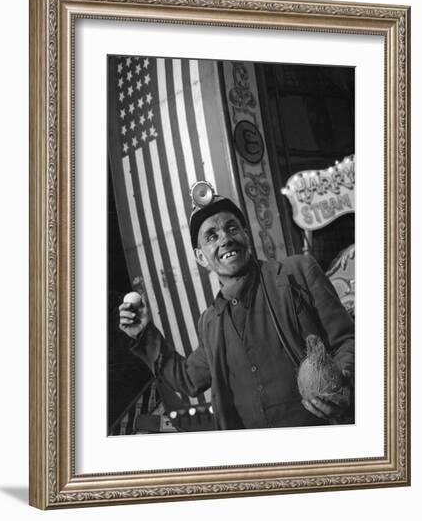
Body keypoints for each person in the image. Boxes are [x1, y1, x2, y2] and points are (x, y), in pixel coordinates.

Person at [119, 183, 354, 431]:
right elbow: (189, 379)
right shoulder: (209, 322)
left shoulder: (298, 272)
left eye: (232, 228)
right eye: (212, 236)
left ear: (245, 235)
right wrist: (145, 334)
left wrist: (343, 382)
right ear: (201, 257)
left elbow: (347, 340)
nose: (226, 239)